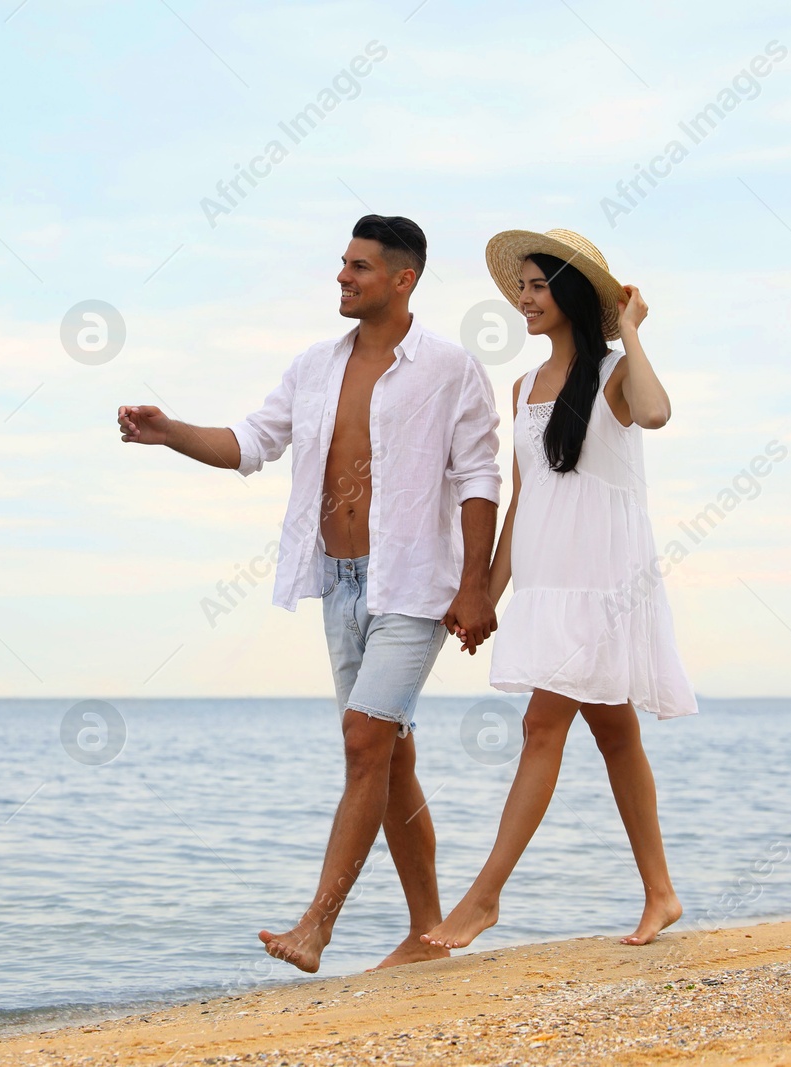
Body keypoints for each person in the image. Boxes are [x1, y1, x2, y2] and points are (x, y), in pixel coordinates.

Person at [117, 215, 502, 972]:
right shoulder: (314, 367)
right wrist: (171, 432)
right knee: (389, 757)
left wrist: (476, 584)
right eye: (342, 264)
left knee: (364, 743)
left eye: (358, 266)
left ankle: (316, 925)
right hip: (338, 580)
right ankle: (428, 932)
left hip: (413, 587)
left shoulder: (449, 367)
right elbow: (249, 443)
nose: (342, 277)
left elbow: (479, 476)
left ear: (403, 278)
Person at [423, 228, 698, 952]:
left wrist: (631, 331)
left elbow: (659, 412)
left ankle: (483, 899)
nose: (524, 298)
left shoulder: (613, 373)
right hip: (550, 583)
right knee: (613, 732)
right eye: (522, 286)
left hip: (607, 582)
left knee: (542, 726)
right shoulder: (523, 388)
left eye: (539, 286)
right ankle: (661, 892)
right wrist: (483, 590)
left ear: (573, 294)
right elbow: (526, 501)